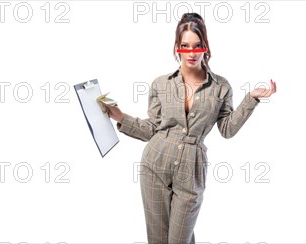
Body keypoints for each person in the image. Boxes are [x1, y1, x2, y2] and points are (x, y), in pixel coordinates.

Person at [102, 13, 277, 243]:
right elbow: (152, 128)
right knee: (157, 239)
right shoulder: (160, 84)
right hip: (154, 166)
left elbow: (227, 129)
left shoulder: (221, 87)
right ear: (177, 47)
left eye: (197, 45)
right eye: (185, 46)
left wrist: (250, 100)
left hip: (191, 171)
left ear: (205, 46)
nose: (191, 53)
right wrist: (121, 116)